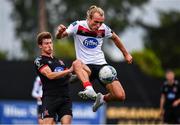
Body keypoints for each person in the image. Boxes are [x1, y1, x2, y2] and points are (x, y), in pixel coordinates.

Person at [55, 5, 133, 112]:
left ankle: (101, 99)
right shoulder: (78, 25)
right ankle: (88, 88)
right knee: (76, 63)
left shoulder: (103, 29)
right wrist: (59, 32)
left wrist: (126, 54)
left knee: (120, 96)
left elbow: (115, 38)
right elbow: (60, 36)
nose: (98, 25)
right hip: (86, 66)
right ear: (89, 18)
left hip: (102, 66)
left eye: (101, 22)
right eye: (96, 22)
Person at [34, 31, 74, 125]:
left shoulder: (60, 62)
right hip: (50, 98)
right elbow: (50, 75)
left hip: (65, 98)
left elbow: (70, 78)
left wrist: (83, 75)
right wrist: (69, 70)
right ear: (40, 46)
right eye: (46, 43)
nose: (49, 45)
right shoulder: (39, 60)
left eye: (50, 42)